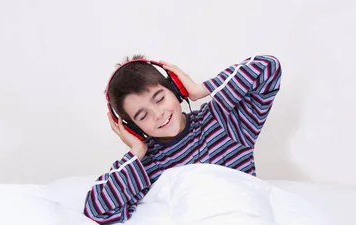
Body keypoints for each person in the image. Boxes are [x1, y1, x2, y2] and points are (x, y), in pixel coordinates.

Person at [83, 54, 282, 224]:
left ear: (176, 89)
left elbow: (268, 67)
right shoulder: (145, 167)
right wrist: (136, 151)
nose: (158, 114)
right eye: (142, 116)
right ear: (132, 128)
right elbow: (96, 211)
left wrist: (200, 89)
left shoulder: (222, 121)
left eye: (160, 98)